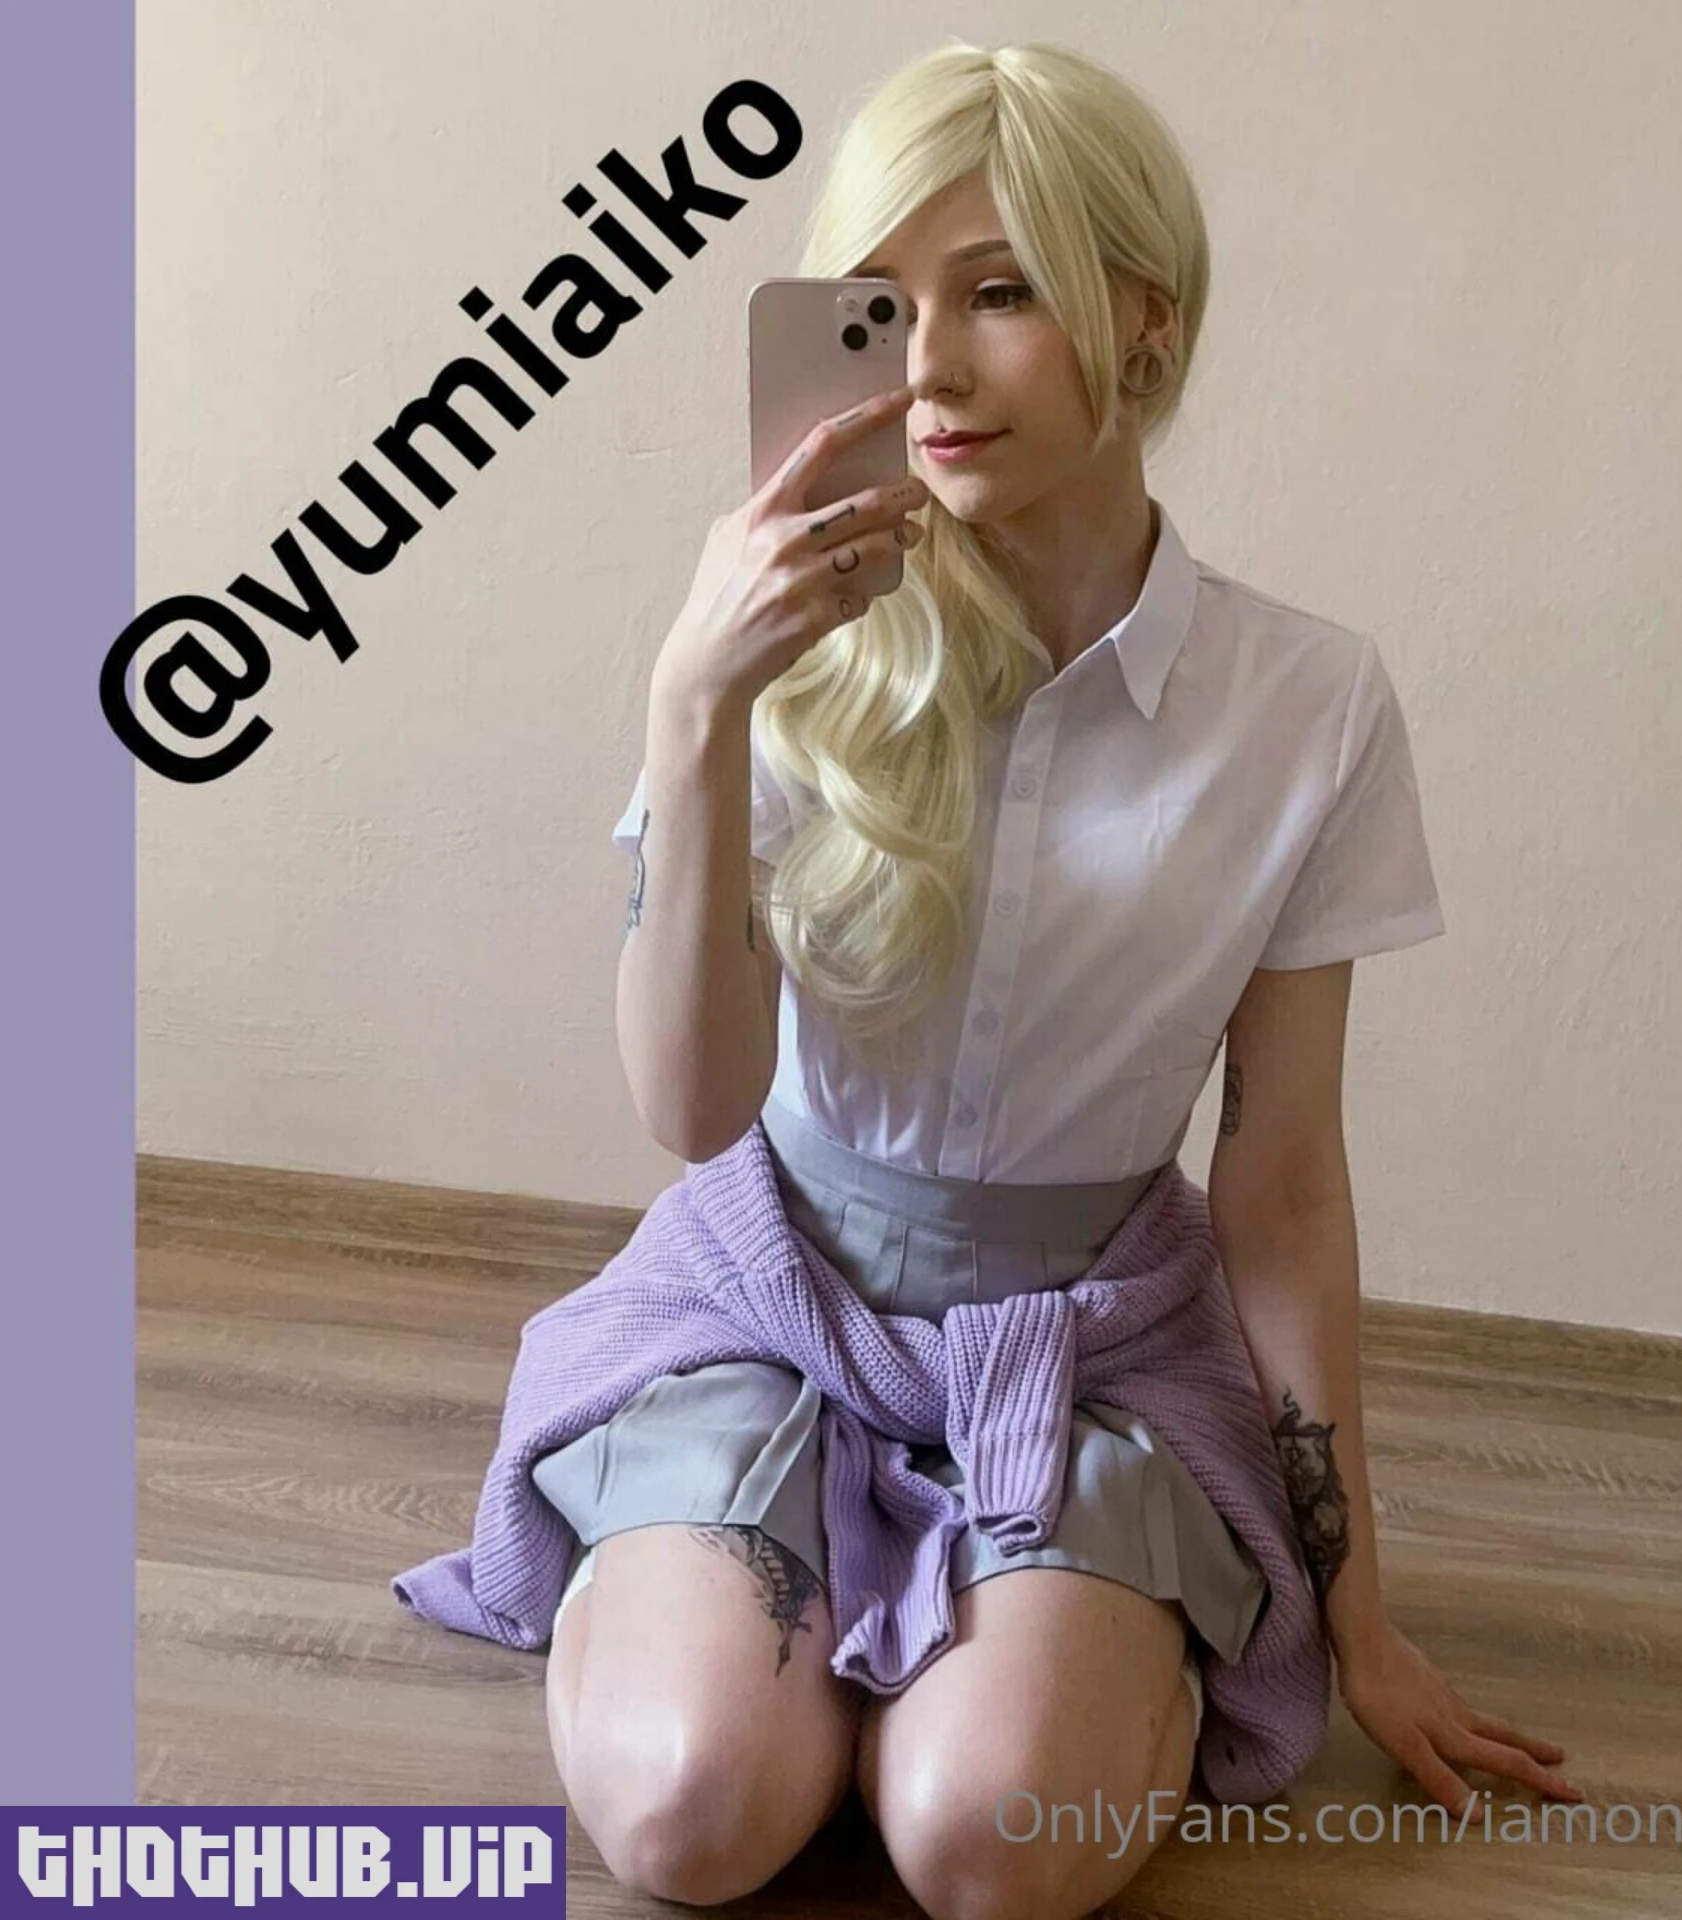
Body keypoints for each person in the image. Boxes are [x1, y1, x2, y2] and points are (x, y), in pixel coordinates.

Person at [397, 38, 1582, 1918]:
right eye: (881, 306)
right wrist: (695, 706)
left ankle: (955, 1672)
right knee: (692, 1812)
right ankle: (789, 1648)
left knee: (985, 1842)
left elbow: (1283, 1182)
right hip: (773, 1297)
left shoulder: (1306, 706)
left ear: (1148, 321)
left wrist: (1359, 1617)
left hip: (1093, 1339)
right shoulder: (781, 645)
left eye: (1003, 293)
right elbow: (692, 1108)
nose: (929, 368)